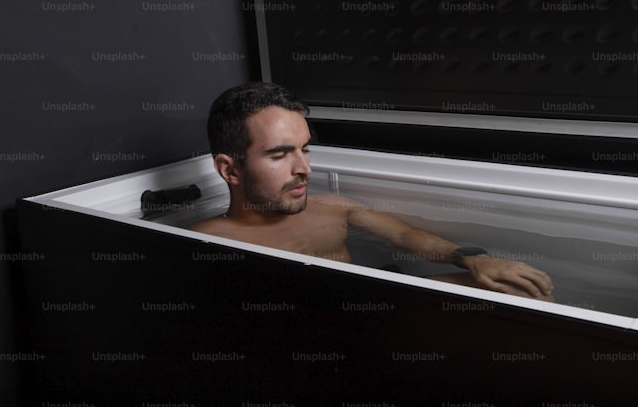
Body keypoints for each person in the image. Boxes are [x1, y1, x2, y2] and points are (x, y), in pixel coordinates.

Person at [191, 81, 554, 300]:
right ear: (230, 169)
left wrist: (474, 258)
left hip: (376, 304)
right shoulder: (205, 244)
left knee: (523, 291)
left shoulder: (331, 208)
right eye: (280, 154)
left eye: (305, 149)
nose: (304, 169)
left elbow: (404, 233)